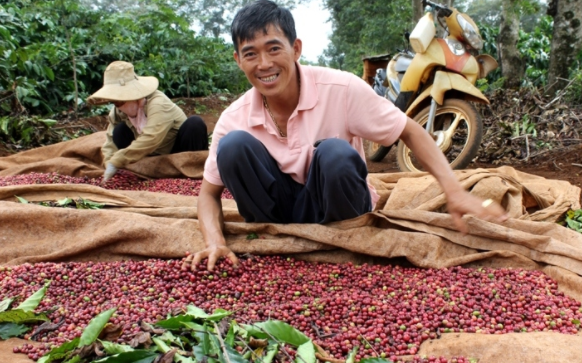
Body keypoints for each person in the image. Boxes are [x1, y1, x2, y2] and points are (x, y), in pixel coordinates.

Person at [183, 0, 508, 271]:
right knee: (232, 147)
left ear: (296, 49)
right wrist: (215, 242)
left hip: (341, 209)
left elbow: (410, 130)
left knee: (335, 155)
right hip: (276, 217)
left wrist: (453, 190)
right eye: (251, 54)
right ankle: (285, 244)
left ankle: (340, 243)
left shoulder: (341, 88)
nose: (265, 63)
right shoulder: (234, 117)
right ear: (238, 60)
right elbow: (208, 195)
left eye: (274, 49)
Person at [87, 61, 209, 182]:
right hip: (149, 157)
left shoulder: (158, 103)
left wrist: (118, 160)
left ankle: (189, 173)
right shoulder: (118, 112)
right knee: (119, 131)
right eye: (114, 102)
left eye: (119, 101)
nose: (117, 106)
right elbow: (110, 140)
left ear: (132, 95)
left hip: (177, 151)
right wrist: (108, 162)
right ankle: (144, 171)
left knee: (194, 124)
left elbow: (151, 138)